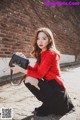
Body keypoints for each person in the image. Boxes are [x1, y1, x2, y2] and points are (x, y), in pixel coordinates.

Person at [10, 27, 74, 116]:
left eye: (44, 38)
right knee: (27, 79)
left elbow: (39, 75)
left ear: (49, 40)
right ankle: (47, 103)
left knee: (29, 79)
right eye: (38, 38)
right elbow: (35, 70)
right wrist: (24, 61)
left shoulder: (50, 54)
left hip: (57, 89)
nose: (40, 41)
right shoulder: (42, 53)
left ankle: (51, 105)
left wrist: (21, 69)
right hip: (50, 86)